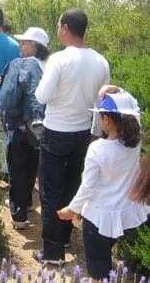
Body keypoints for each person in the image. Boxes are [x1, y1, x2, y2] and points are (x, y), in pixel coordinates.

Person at [33, 9, 110, 264]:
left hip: (56, 132)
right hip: (82, 134)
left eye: (58, 26)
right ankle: (64, 237)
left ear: (65, 28)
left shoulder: (59, 59)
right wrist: (96, 135)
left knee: (51, 191)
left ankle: (53, 253)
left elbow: (42, 97)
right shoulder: (100, 61)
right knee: (70, 187)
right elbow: (103, 104)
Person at [58, 91, 149, 280]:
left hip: (98, 218)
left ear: (107, 119)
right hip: (123, 213)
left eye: (100, 115)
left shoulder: (98, 149)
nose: (98, 119)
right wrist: (117, 89)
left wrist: (72, 209)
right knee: (106, 259)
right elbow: (135, 107)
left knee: (98, 270)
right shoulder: (135, 140)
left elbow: (87, 187)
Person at [0, 27, 50, 230]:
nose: (20, 46)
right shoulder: (49, 67)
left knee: (17, 169)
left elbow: (7, 100)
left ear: (36, 47)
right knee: (32, 169)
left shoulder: (19, 65)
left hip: (21, 127)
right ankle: (27, 203)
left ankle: (19, 215)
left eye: (25, 43)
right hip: (44, 129)